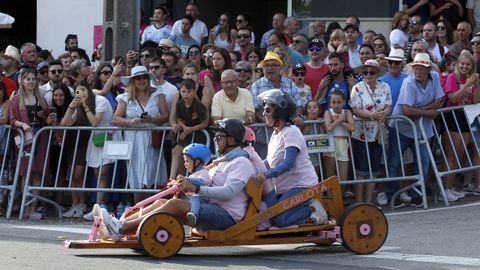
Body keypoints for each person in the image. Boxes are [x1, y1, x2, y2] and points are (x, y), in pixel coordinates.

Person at [96, 118, 255, 241]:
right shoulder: (224, 161)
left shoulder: (241, 163)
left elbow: (228, 193)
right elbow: (204, 182)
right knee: (161, 202)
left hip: (227, 216)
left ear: (232, 140)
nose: (215, 140)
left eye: (219, 136)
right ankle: (118, 226)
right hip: (211, 208)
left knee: (174, 204)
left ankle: (121, 228)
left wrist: (195, 188)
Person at [253, 89, 328, 227]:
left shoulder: (291, 132)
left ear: (279, 112)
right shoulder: (276, 134)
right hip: (285, 188)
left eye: (267, 110)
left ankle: (312, 209)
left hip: (302, 186)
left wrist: (265, 175)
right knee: (271, 216)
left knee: (278, 220)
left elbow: (288, 163)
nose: (263, 114)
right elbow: (269, 162)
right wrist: (252, 167)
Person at [385, 52, 445, 206]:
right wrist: (428, 113)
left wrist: (423, 110)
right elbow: (406, 110)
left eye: (422, 68)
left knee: (423, 162)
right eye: (415, 67)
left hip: (422, 129)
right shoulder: (409, 82)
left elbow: (439, 101)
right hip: (401, 127)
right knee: (394, 162)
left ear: (428, 69)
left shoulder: (435, 77)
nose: (418, 71)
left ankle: (417, 195)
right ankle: (393, 195)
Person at [112, 66, 169, 203]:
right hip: (134, 139)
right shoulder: (125, 97)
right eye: (138, 78)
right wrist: (130, 121)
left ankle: (154, 208)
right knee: (137, 175)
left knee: (153, 172)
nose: (142, 80)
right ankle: (139, 208)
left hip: (152, 138)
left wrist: (152, 120)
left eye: (144, 77)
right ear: (133, 80)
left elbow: (166, 115)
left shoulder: (157, 93)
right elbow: (115, 118)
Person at [350, 59, 392, 203]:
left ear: (377, 73)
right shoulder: (357, 88)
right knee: (361, 171)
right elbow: (355, 109)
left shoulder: (385, 86)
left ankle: (368, 202)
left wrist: (383, 114)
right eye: (365, 71)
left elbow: (388, 105)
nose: (368, 74)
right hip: (361, 134)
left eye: (372, 72)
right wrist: (373, 115)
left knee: (374, 170)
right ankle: (359, 202)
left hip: (378, 132)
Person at [10, 69, 50, 218]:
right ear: (22, 81)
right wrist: (22, 124)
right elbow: (12, 120)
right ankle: (25, 208)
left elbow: (47, 119)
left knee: (38, 171)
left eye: (34, 79)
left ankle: (33, 208)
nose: (31, 82)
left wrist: (46, 117)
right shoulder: (16, 98)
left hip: (41, 137)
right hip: (25, 139)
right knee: (25, 172)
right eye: (28, 79)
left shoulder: (41, 98)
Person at [442, 50, 480, 201]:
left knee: (459, 155)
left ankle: (450, 188)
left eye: (468, 64)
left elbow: (475, 100)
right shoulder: (452, 77)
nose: (464, 67)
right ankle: (445, 189)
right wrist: (467, 85)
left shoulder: (471, 79)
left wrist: (476, 86)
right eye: (462, 63)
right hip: (453, 117)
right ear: (458, 64)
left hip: (466, 117)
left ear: (472, 66)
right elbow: (453, 97)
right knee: (451, 156)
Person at [169, 79, 209, 180]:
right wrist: (183, 127)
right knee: (177, 151)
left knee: (191, 157)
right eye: (183, 92)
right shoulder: (179, 104)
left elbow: (205, 123)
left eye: (188, 92)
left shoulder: (198, 105)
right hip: (186, 132)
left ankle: (189, 181)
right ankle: (172, 180)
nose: (186, 94)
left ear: (194, 92)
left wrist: (191, 129)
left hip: (199, 134)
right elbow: (178, 119)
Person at [323, 90, 355, 182]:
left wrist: (339, 121)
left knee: (343, 177)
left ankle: (341, 195)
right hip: (330, 142)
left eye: (339, 102)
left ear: (344, 102)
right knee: (330, 176)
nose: (336, 104)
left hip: (343, 142)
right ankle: (331, 196)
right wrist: (339, 120)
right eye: (334, 102)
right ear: (330, 103)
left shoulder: (347, 112)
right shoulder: (328, 113)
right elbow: (329, 128)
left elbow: (352, 127)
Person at [182, 143, 212, 227]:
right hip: (190, 198)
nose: (185, 164)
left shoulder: (204, 172)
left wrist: (186, 179)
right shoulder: (193, 175)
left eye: (187, 161)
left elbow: (201, 182)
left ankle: (194, 214)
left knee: (195, 197)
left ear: (197, 162)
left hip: (202, 200)